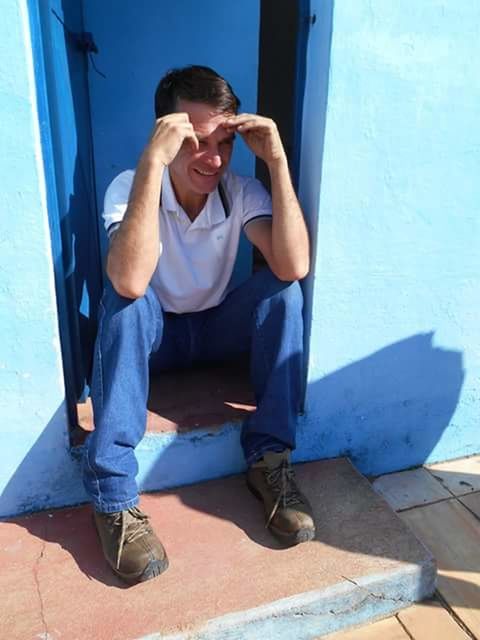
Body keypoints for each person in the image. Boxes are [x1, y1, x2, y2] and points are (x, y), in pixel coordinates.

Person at [83, 65, 314, 585]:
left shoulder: (240, 191)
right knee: (124, 301)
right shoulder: (131, 185)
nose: (212, 159)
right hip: (155, 333)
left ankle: (269, 460)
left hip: (212, 329)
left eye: (224, 143)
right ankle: (114, 499)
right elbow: (127, 277)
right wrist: (151, 163)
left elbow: (292, 265)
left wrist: (275, 161)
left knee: (283, 292)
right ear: (167, 136)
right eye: (195, 142)